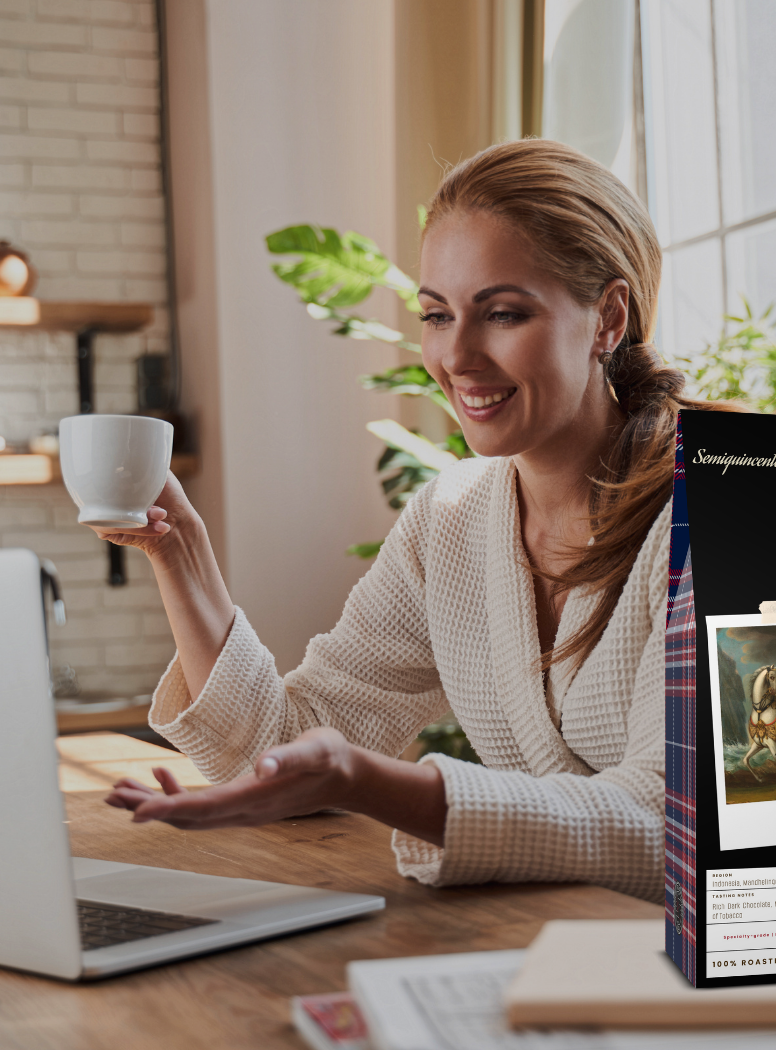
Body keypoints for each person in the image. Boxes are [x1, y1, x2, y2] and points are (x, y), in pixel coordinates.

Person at [94, 139, 737, 904]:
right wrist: (182, 557)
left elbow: (684, 827)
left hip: (744, 1003)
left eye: (502, 313)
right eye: (437, 315)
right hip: (561, 967)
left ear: (608, 317)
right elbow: (284, 752)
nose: (457, 355)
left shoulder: (743, 503)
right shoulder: (453, 520)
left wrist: (380, 784)